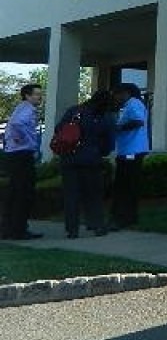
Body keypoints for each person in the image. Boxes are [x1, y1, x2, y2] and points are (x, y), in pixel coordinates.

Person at [57, 90, 115, 238]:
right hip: (91, 160)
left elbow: (59, 129)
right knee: (93, 195)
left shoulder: (75, 111)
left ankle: (72, 230)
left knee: (71, 196)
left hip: (69, 158)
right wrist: (100, 151)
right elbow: (108, 144)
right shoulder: (106, 117)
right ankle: (97, 225)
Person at [1, 83, 44, 240]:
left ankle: (7, 228)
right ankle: (19, 229)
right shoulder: (28, 109)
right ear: (27, 96)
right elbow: (17, 124)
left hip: (13, 154)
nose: (40, 97)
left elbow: (12, 125)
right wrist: (26, 140)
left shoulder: (20, 108)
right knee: (24, 193)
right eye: (36, 94)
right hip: (22, 155)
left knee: (13, 192)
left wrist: (14, 138)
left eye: (40, 94)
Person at [109, 82, 149, 230]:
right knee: (127, 185)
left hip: (132, 152)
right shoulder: (128, 106)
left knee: (125, 185)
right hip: (127, 150)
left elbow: (138, 121)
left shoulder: (134, 103)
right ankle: (130, 217)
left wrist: (118, 127)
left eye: (116, 94)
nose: (115, 98)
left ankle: (123, 217)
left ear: (125, 93)